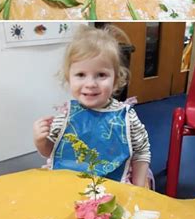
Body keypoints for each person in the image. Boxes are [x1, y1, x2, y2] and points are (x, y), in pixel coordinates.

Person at [32, 25, 150, 187]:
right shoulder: (66, 115)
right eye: (81, 75)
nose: (90, 84)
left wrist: (139, 188)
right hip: (69, 187)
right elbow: (53, 152)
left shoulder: (126, 117)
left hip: (113, 189)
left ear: (116, 80)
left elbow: (141, 152)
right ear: (68, 78)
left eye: (101, 75)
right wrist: (41, 142)